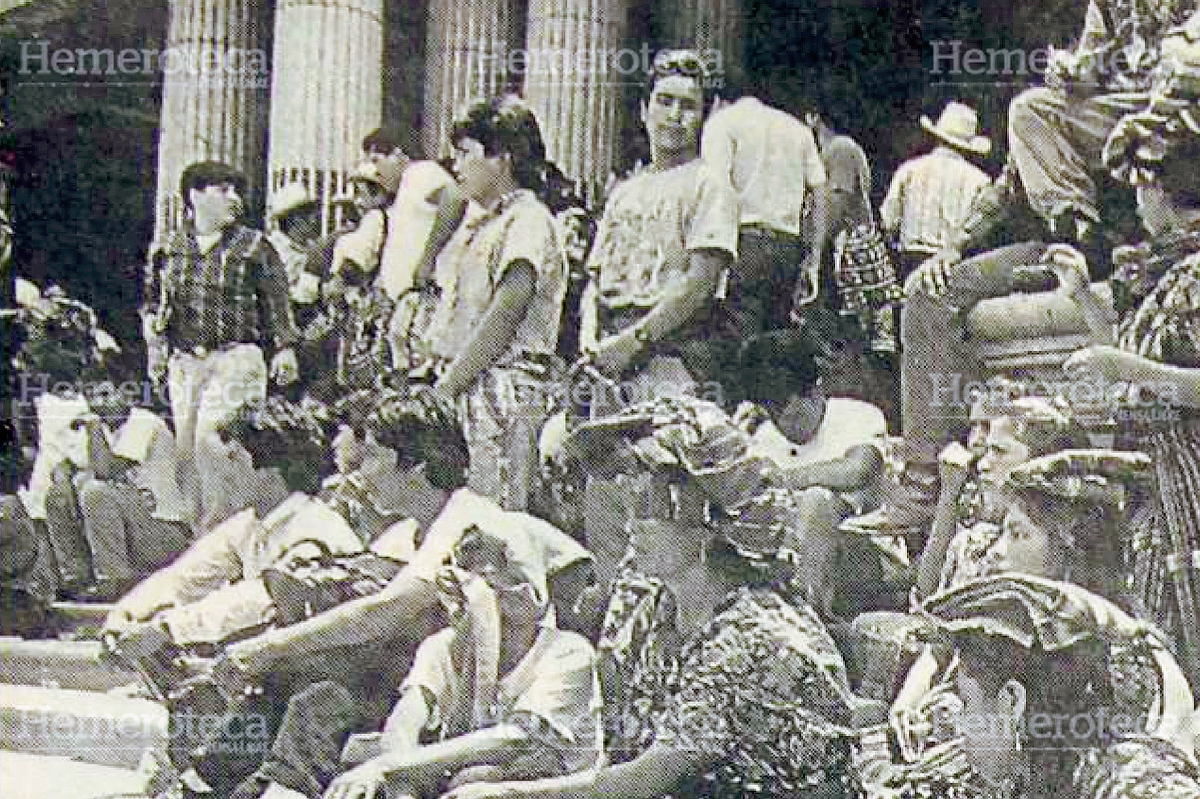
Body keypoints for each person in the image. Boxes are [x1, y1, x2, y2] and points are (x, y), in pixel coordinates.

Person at [437, 467, 879, 799]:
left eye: (650, 514)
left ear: (708, 532)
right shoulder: (657, 610)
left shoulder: (754, 631)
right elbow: (625, 748)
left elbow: (657, 772)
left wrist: (517, 796)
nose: (631, 528)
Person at [230, 526, 600, 799]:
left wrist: (387, 767)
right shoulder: (444, 647)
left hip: (546, 789)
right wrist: (398, 781)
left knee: (471, 780)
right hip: (463, 779)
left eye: (500, 587)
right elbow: (406, 719)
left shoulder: (567, 652)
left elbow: (512, 741)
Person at [1051, 98, 1200, 688]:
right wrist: (1084, 298)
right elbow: (1136, 361)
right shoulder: (1168, 269)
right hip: (1153, 482)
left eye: (1141, 190)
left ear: (1164, 189)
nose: (1137, 206)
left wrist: (1122, 365)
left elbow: (1150, 372)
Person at [577, 47, 738, 587]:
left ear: (704, 115)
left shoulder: (708, 184)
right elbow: (597, 278)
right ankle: (610, 610)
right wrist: (594, 341)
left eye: (687, 106)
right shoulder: (625, 191)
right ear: (644, 109)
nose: (674, 116)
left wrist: (634, 340)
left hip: (669, 349)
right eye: (664, 102)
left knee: (661, 488)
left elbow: (699, 283)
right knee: (604, 486)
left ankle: (663, 614)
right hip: (611, 356)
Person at [874, 574, 1200, 799]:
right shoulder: (1047, 770)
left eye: (968, 703)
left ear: (1012, 701)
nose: (961, 727)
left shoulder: (1135, 786)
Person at [99, 397, 360, 673]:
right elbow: (182, 579)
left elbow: (257, 599)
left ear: (271, 471)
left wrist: (167, 628)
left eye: (235, 459)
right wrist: (125, 613)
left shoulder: (315, 527)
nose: (224, 472)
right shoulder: (249, 524)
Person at [424, 95, 569, 511]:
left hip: (505, 393)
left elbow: (506, 312)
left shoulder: (528, 220)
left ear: (501, 158)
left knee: (498, 520)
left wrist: (447, 386)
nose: (456, 165)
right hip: (470, 386)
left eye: (465, 153)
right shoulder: (485, 223)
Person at [144, 161, 299, 531]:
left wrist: (285, 347)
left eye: (236, 191)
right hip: (186, 362)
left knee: (213, 443)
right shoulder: (169, 246)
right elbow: (154, 301)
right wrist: (156, 344)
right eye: (222, 190)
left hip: (236, 357)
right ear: (195, 195)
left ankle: (232, 531)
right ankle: (201, 537)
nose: (234, 199)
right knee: (186, 453)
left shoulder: (254, 246)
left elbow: (277, 301)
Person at [700, 77, 828, 335]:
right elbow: (820, 193)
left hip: (742, 243)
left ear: (717, 101)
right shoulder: (798, 130)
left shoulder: (723, 123)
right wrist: (813, 259)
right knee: (775, 342)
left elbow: (716, 187)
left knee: (736, 338)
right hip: (787, 247)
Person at [74, 381, 193, 601]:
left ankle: (114, 581)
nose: (96, 403)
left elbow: (105, 470)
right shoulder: (105, 428)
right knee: (72, 488)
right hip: (138, 530)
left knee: (95, 491)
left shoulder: (144, 422)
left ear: (128, 396)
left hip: (166, 533)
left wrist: (93, 429)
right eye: (90, 396)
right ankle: (78, 578)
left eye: (105, 394)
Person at [880, 101, 992, 279]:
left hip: (909, 258)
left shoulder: (909, 170)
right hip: (951, 262)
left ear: (937, 136)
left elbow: (888, 221)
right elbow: (980, 229)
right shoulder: (980, 181)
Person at [361, 127, 467, 300]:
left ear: (399, 155)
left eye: (376, 160)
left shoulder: (419, 172)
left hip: (421, 294)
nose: (375, 171)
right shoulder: (404, 190)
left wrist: (429, 258)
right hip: (404, 298)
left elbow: (454, 197)